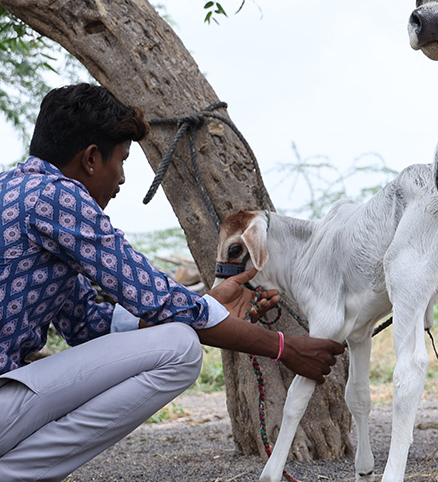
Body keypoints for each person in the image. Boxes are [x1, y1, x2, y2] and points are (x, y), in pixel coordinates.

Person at [0, 83, 346, 482]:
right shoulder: (57, 197)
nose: (123, 179)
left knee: (179, 332)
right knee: (180, 349)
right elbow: (155, 297)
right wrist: (283, 347)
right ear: (92, 159)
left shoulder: (16, 191)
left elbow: (88, 325)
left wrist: (210, 304)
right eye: (122, 160)